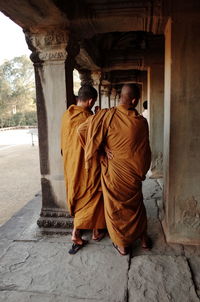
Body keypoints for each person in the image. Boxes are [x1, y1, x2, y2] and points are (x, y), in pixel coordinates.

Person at [83, 84, 151, 255]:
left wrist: (101, 151)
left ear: (121, 97)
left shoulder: (106, 116)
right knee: (137, 207)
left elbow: (81, 130)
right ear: (134, 100)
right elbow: (144, 152)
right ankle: (143, 239)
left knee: (116, 209)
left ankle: (122, 245)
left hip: (114, 173)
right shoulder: (141, 123)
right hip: (133, 174)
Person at [61, 85, 106, 254]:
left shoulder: (67, 116)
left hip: (71, 165)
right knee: (93, 194)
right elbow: (96, 143)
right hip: (87, 166)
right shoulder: (88, 118)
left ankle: (82, 230)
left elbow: (63, 143)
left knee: (77, 194)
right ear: (91, 100)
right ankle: (90, 231)